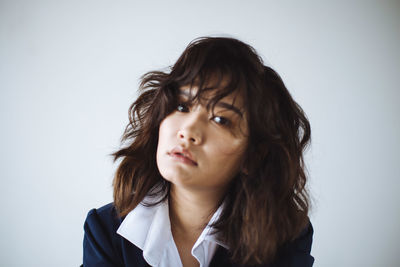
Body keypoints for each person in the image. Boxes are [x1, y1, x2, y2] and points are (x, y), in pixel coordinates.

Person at [82, 36, 314, 267]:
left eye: (221, 120)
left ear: (253, 156)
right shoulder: (105, 231)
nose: (188, 130)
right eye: (182, 106)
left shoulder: (286, 238)